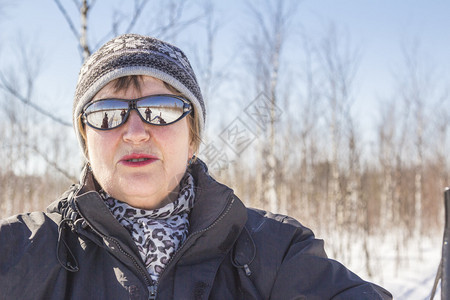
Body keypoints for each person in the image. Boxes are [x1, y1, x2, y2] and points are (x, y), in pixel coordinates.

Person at [0, 33, 392, 299]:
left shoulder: (275, 252)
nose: (135, 132)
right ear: (86, 141)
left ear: (193, 138)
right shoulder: (21, 251)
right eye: (108, 114)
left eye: (161, 110)